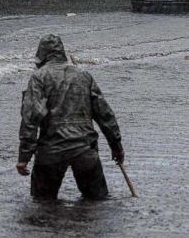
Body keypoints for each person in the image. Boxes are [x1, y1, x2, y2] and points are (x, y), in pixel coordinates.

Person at [16, 34, 124, 200]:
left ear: (41, 55)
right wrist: (116, 146)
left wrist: (24, 157)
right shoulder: (84, 76)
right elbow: (105, 115)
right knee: (97, 204)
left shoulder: (38, 78)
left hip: (51, 152)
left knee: (41, 206)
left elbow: (31, 118)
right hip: (85, 149)